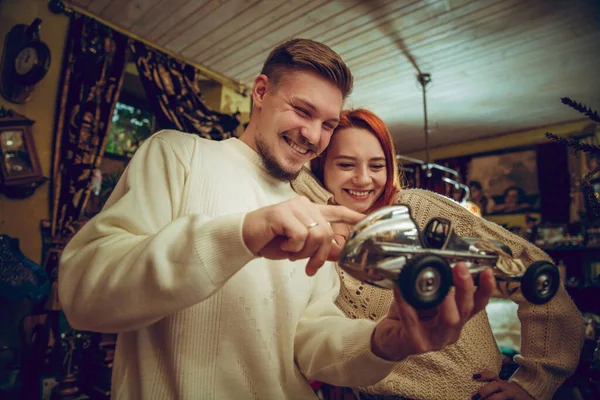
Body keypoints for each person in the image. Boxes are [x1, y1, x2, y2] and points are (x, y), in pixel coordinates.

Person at [58, 39, 495, 399]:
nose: (313, 137)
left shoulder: (312, 210)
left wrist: (385, 341)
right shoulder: (178, 155)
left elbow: (312, 341)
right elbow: (83, 294)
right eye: (302, 111)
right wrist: (244, 232)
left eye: (327, 124)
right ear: (262, 92)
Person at [292, 108, 584, 400]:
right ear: (320, 167)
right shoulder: (314, 234)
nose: (363, 179)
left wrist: (533, 383)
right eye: (345, 164)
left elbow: (530, 266)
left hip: (474, 392)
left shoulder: (416, 208)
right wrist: (322, 201)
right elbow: (290, 173)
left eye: (377, 166)